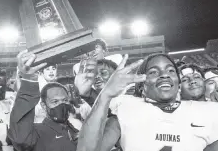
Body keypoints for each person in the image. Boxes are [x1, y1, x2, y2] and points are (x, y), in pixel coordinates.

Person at [77, 54, 218, 151]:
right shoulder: (126, 107)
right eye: (153, 72)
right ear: (142, 84)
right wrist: (105, 95)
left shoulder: (209, 110)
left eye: (171, 70)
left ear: (178, 82)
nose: (164, 74)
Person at [8, 50, 79, 151]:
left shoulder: (76, 129)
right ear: (44, 106)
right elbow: (21, 139)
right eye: (55, 102)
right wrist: (29, 81)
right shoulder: (37, 131)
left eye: (65, 100)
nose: (62, 105)